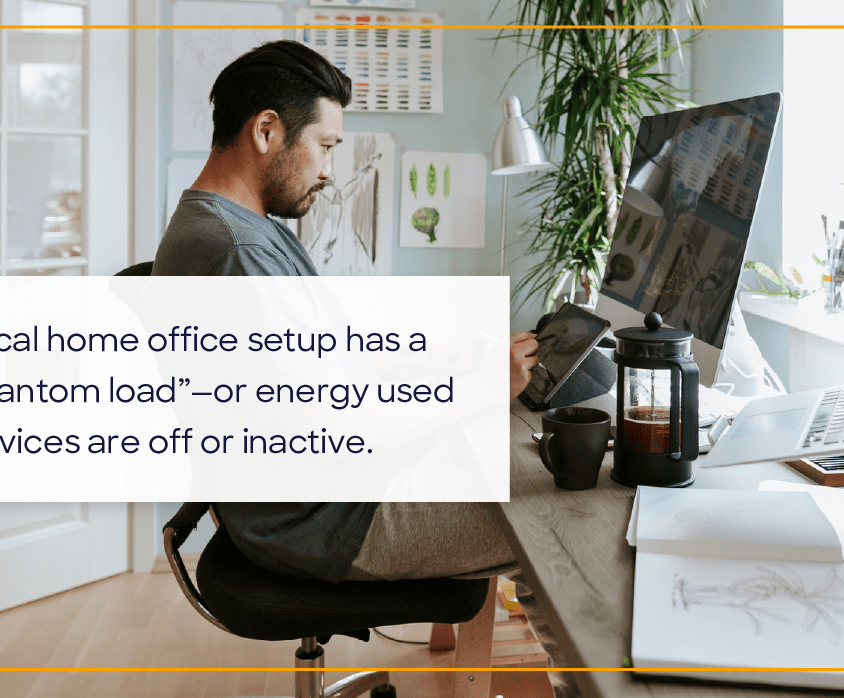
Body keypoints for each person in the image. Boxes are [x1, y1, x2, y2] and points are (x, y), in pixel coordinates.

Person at [153, 40, 580, 696]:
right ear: (266, 130)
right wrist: (473, 387)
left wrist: (449, 358)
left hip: (327, 496)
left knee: (539, 462)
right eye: (325, 146)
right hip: (324, 521)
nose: (329, 169)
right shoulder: (236, 253)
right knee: (571, 509)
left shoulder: (241, 228)